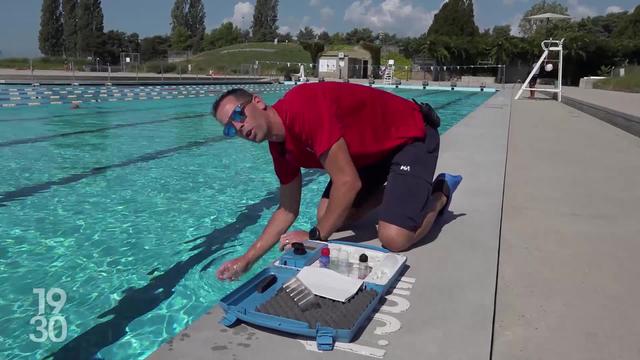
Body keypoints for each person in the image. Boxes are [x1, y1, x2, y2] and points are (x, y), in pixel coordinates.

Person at [212, 82, 463, 281]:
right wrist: (246, 260)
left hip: (411, 136)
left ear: (257, 101)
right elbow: (287, 209)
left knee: (394, 238)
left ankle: (438, 193)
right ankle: (402, 190)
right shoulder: (279, 148)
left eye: (238, 114)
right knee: (329, 213)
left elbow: (348, 182)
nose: (238, 126)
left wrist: (314, 237)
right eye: (229, 128)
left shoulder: (302, 108)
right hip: (373, 155)